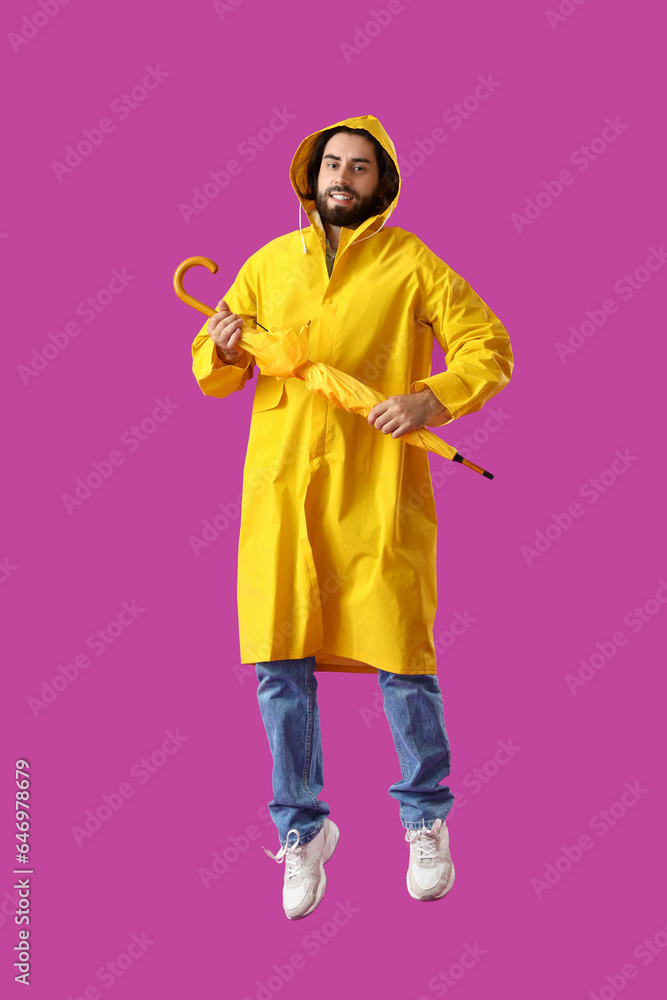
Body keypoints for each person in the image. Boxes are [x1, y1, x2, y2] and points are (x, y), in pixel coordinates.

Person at [191, 114, 513, 920]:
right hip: (283, 492)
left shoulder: (412, 265)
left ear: (383, 182)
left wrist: (428, 397)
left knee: (404, 662)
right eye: (332, 163)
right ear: (312, 174)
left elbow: (488, 345)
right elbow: (210, 367)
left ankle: (424, 817)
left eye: (359, 167)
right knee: (278, 664)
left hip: (377, 490)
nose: (342, 176)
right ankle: (302, 831)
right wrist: (223, 349)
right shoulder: (267, 264)